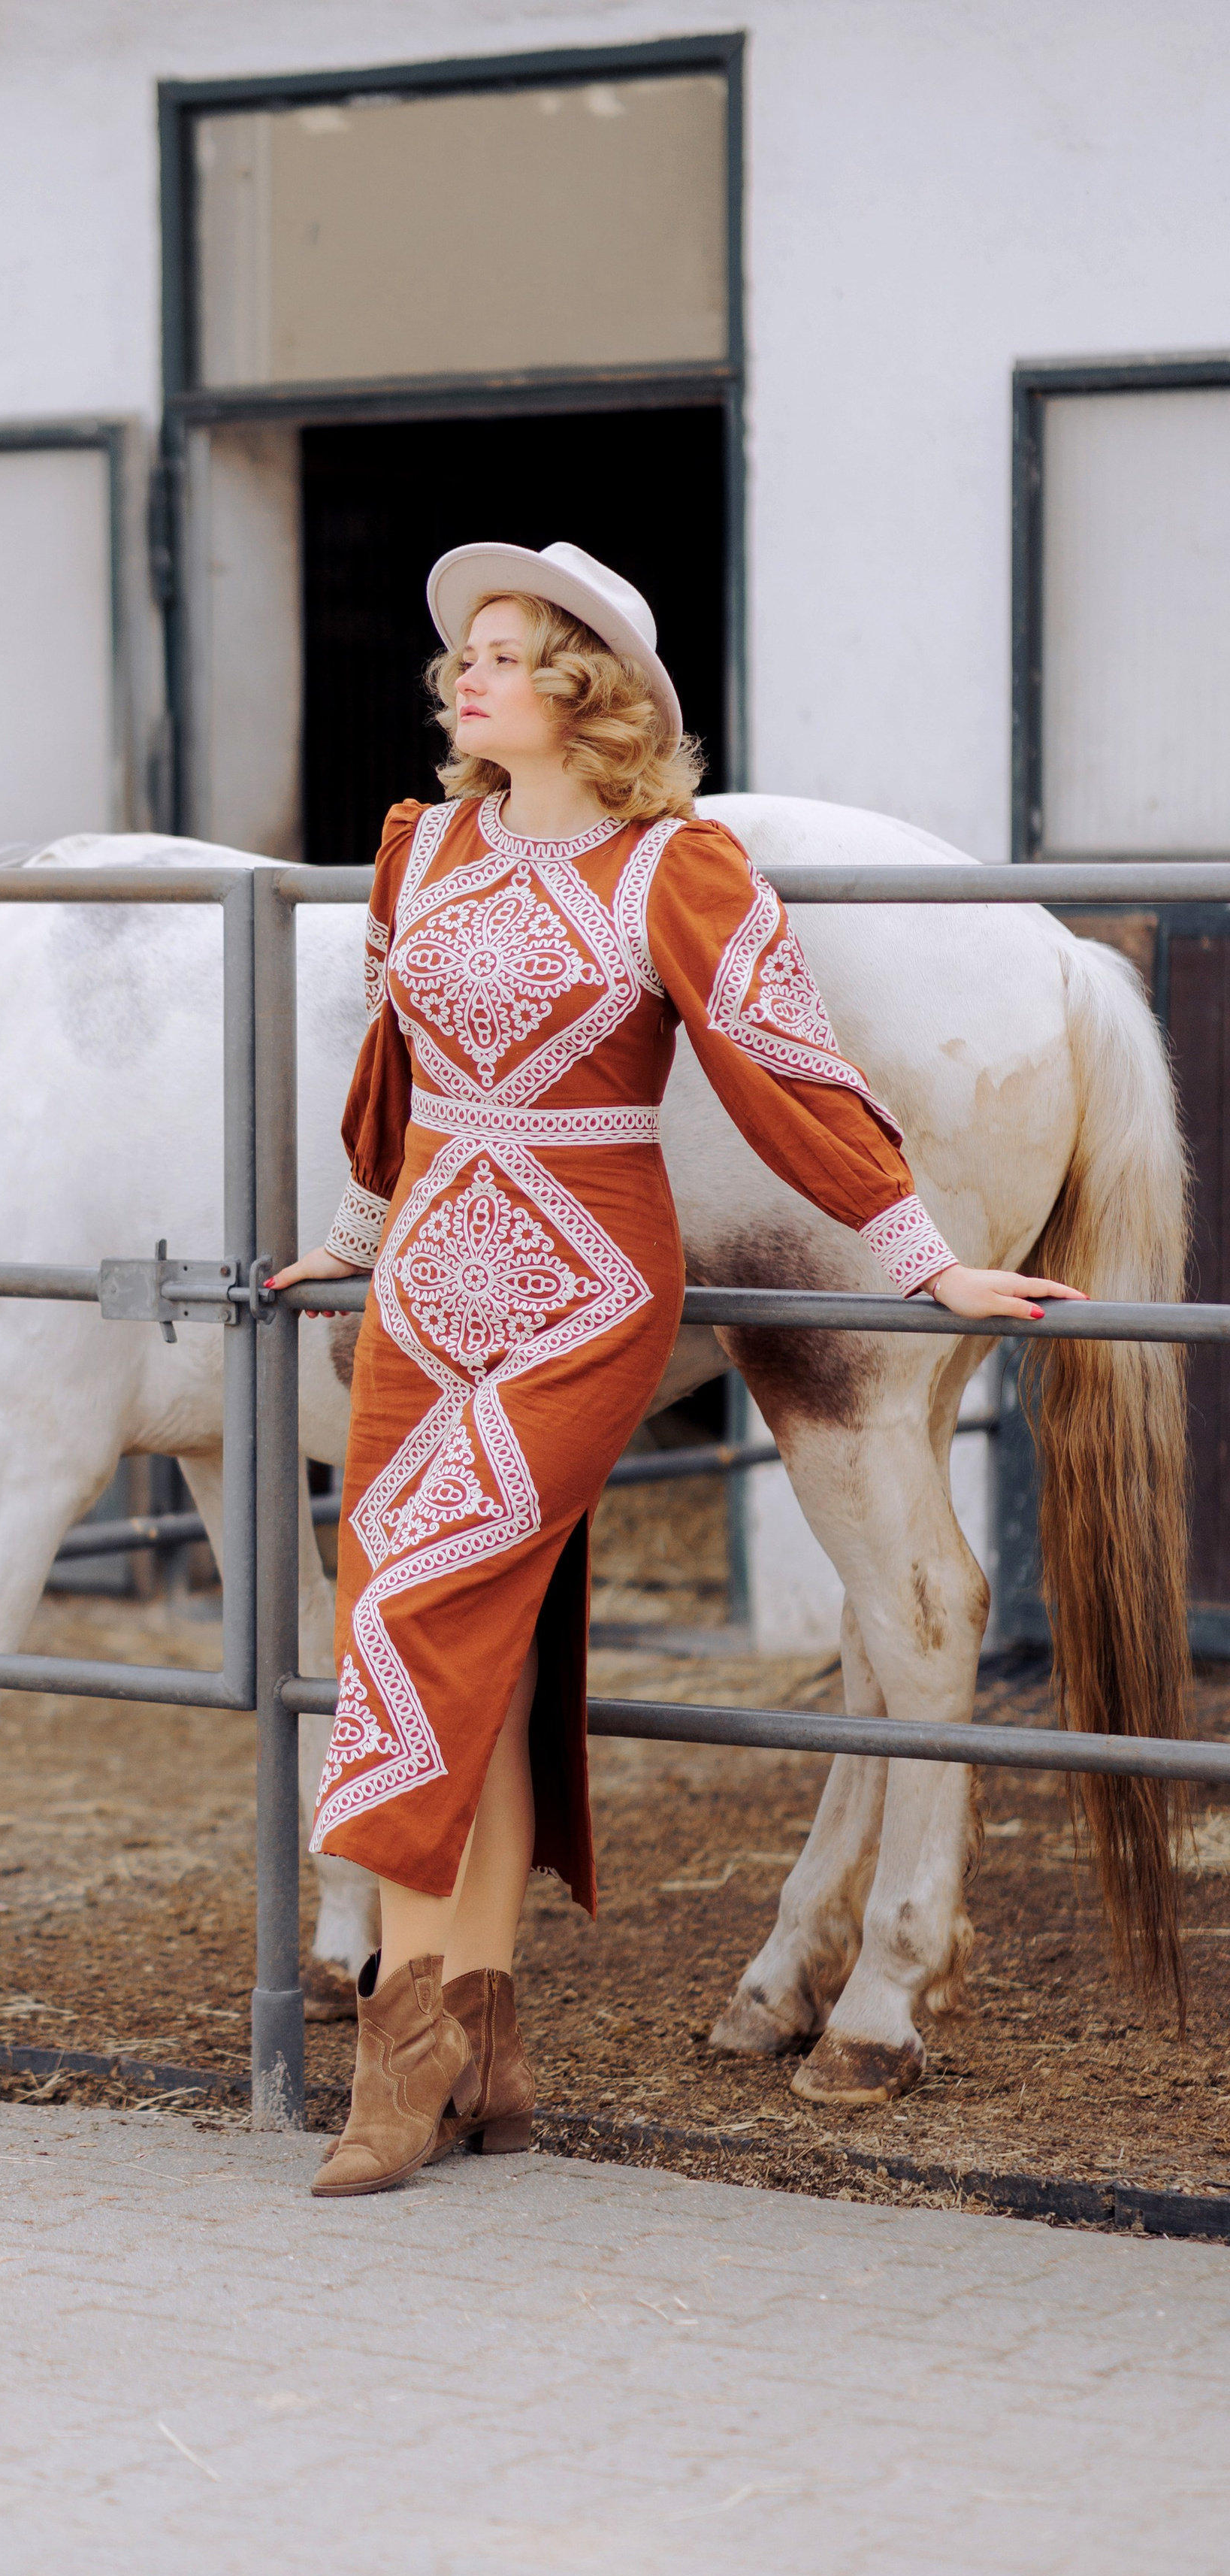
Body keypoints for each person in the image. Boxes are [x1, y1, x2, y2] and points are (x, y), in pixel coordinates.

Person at [268, 540, 1083, 2199]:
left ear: (584, 692)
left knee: (410, 1617)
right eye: (462, 658)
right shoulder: (415, 849)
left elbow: (784, 1072)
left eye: (503, 655)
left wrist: (922, 1256)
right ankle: (482, 2035)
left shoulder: (674, 871)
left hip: (583, 1287)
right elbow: (384, 1071)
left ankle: (395, 2036)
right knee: (434, 1633)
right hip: (422, 1295)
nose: (464, 678)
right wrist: (354, 1238)